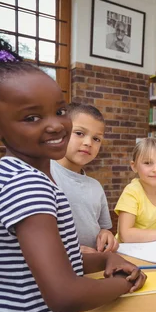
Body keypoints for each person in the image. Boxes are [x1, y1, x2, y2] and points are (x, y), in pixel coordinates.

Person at [0, 34, 145, 312]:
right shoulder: (26, 187)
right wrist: (122, 285)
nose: (56, 124)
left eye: (59, 110)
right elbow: (64, 294)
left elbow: (60, 263)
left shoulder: (31, 176)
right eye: (31, 118)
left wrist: (106, 259)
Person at [51, 103, 118, 254]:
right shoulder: (44, 175)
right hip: (58, 268)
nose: (88, 143)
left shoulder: (96, 186)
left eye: (96, 138)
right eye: (79, 133)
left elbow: (104, 229)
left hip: (92, 268)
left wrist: (106, 235)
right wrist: (71, 252)